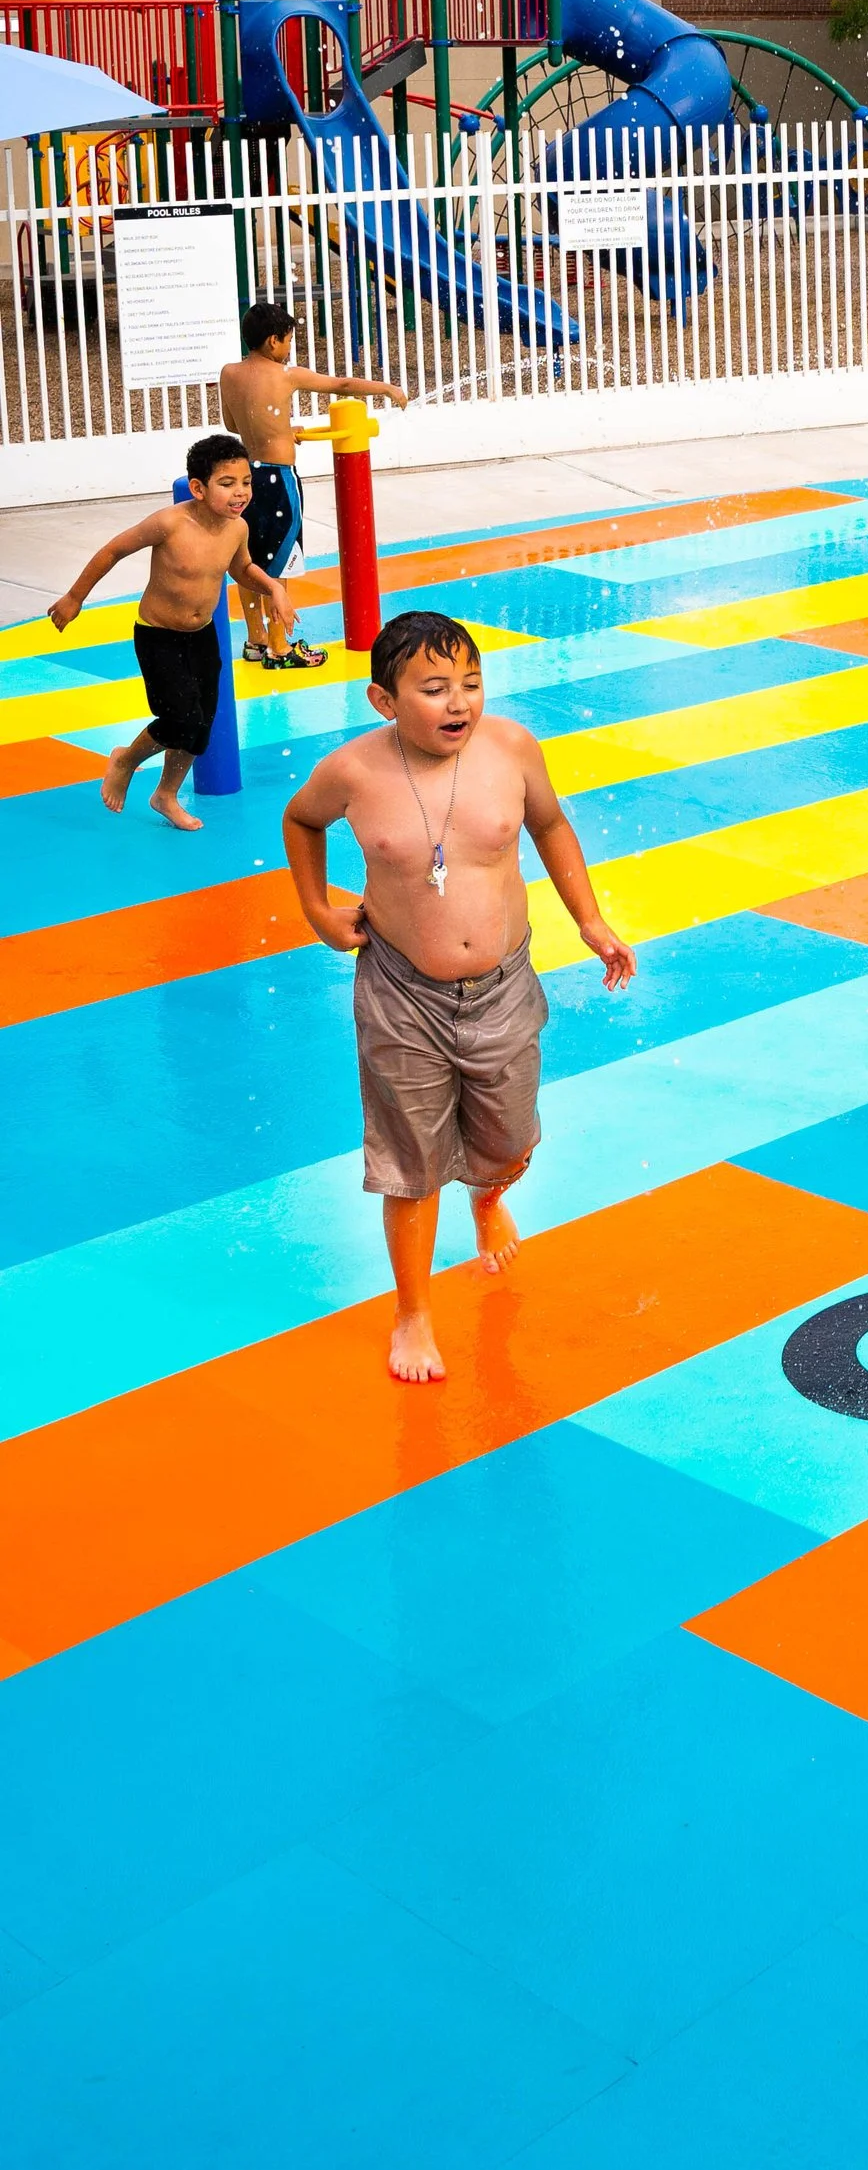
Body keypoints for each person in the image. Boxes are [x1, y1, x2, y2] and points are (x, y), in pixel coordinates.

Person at [281, 607, 636, 1384]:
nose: (459, 703)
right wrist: (315, 909)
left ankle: (489, 1196)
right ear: (384, 701)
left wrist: (590, 919)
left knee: (509, 1139)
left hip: (503, 985)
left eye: (471, 683)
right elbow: (301, 821)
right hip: (401, 992)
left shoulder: (509, 749)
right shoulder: (354, 771)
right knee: (410, 1164)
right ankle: (413, 1313)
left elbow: (549, 825)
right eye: (435, 688)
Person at [46, 431, 300, 831]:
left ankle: (165, 794)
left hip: (201, 637)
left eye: (246, 482)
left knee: (201, 725)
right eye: (227, 484)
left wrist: (273, 589)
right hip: (159, 635)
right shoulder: (170, 524)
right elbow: (113, 550)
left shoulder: (237, 529)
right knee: (180, 719)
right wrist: (75, 598)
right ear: (198, 488)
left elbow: (241, 569)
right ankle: (125, 759)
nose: (241, 493)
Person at [219, 300, 409, 670]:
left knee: (248, 559)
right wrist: (386, 389)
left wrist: (280, 430)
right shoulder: (285, 375)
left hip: (247, 477)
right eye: (288, 340)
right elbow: (342, 384)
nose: (289, 349)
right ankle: (279, 647)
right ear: (273, 341)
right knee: (278, 564)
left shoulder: (229, 373)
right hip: (278, 480)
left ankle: (256, 640)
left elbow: (233, 424)